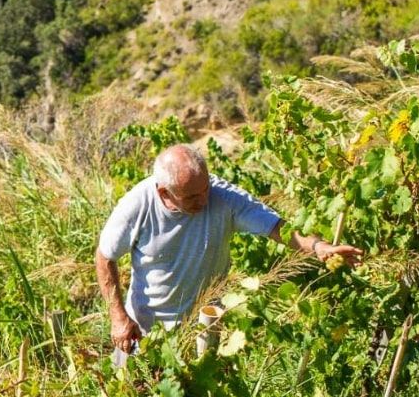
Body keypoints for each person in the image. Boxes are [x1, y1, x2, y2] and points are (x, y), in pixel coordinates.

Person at [96, 143, 363, 357]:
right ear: (165, 193)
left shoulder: (223, 197)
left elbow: (277, 227)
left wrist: (318, 246)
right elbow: (105, 257)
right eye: (191, 196)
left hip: (205, 326)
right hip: (145, 332)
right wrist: (119, 318)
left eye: (205, 188)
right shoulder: (137, 206)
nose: (203, 200)